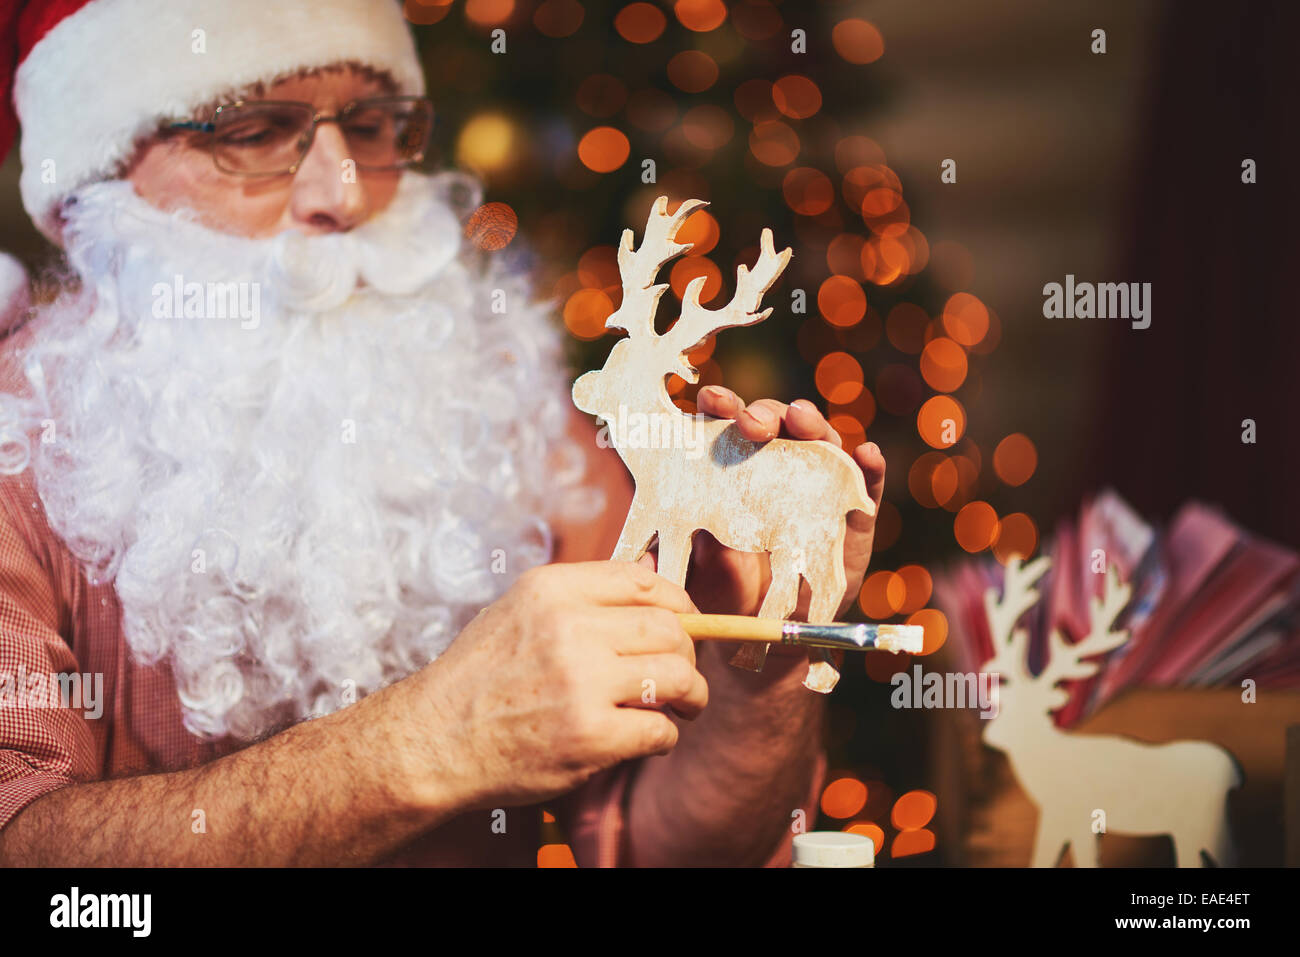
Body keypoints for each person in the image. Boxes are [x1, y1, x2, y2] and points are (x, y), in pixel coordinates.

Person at [0, 0, 885, 866]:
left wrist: (759, 683)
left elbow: (650, 842)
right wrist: (428, 741)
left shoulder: (504, 417)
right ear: (97, 180)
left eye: (373, 124)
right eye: (255, 131)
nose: (340, 193)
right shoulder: (13, 451)